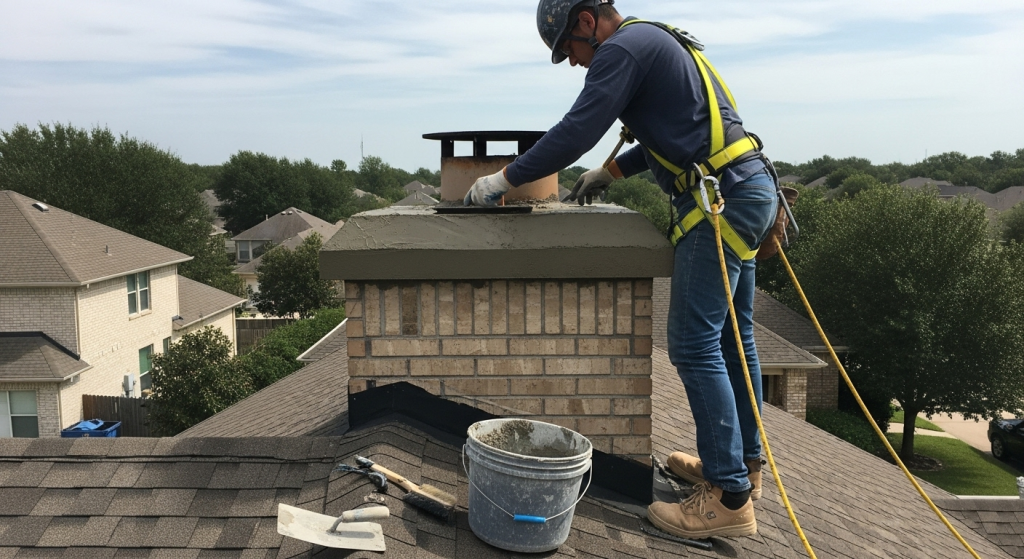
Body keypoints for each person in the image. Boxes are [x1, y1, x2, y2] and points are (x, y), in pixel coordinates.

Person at [464, 0, 781, 539]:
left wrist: (505, 179)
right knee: (732, 340)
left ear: (587, 21)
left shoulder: (623, 50)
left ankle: (729, 498)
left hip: (717, 202)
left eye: (568, 48)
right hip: (746, 188)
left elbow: (578, 127)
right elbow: (676, 133)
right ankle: (740, 466)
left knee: (693, 344)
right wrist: (610, 170)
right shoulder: (657, 39)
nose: (572, 62)